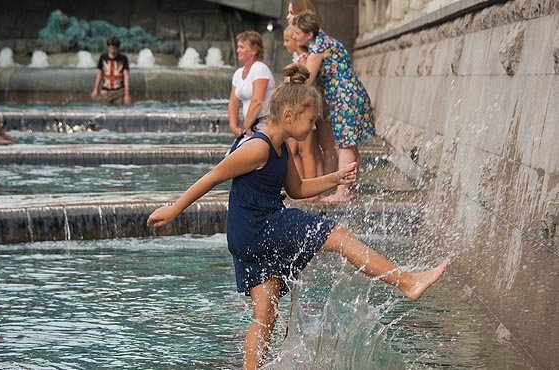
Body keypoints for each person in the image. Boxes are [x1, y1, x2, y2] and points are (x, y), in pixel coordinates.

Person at [147, 64, 448, 370]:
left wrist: (337, 178)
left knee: (264, 313)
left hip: (247, 233)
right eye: (311, 120)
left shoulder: (279, 148)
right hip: (259, 226)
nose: (315, 127)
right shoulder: (258, 148)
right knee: (339, 236)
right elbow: (213, 176)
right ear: (288, 115)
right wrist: (174, 209)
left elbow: (298, 188)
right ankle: (407, 281)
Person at [294, 10, 375, 202]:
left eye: (297, 32)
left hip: (343, 98)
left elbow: (307, 79)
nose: (294, 36)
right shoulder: (327, 41)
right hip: (354, 95)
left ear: (309, 34)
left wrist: (290, 86)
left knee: (345, 144)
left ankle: (343, 193)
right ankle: (350, 189)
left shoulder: (318, 47)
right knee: (350, 145)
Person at [286, 0, 339, 179]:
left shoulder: (315, 40)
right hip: (311, 96)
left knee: (323, 144)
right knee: (313, 147)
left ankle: (326, 185)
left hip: (319, 97)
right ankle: (319, 185)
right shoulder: (303, 36)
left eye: (291, 12)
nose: (288, 16)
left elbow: (307, 75)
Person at [227, 31, 275, 148]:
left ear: (254, 50)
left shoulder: (260, 69)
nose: (238, 50)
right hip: (248, 128)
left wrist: (246, 126)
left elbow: (257, 101)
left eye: (242, 47)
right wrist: (234, 127)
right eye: (238, 47)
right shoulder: (238, 73)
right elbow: (233, 101)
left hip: (263, 123)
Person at [282, 25, 317, 180]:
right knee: (293, 150)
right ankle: (300, 185)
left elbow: (302, 85)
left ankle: (310, 190)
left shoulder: (303, 59)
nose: (285, 43)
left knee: (305, 150)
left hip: (301, 108)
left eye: (287, 39)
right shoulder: (297, 58)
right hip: (293, 108)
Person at [91, 36, 131, 105]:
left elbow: (126, 75)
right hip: (105, 92)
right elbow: (100, 73)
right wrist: (95, 89)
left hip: (119, 91)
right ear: (107, 47)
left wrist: (127, 94)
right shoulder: (103, 57)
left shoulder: (123, 59)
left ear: (118, 48)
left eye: (114, 49)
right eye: (110, 48)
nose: (112, 51)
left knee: (119, 111)